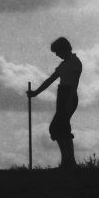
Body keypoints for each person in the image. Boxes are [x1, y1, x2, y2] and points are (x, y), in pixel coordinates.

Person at [27, 37, 82, 170]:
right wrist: (35, 93)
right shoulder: (63, 65)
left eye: (58, 52)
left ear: (64, 49)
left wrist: (69, 100)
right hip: (62, 96)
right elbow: (50, 80)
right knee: (62, 128)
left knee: (56, 128)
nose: (57, 55)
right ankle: (69, 162)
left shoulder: (75, 62)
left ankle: (69, 162)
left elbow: (74, 84)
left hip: (69, 96)